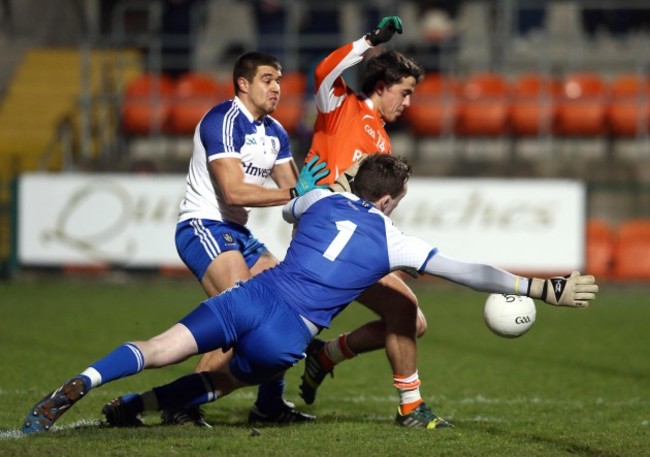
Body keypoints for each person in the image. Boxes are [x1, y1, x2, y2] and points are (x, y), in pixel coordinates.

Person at [22, 154, 599, 435]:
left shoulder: (320, 200)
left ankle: (85, 384)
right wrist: (540, 287)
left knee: (156, 345)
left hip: (253, 295)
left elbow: (292, 204)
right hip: (287, 334)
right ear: (392, 198)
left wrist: (319, 189)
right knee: (221, 380)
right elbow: (468, 271)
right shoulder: (393, 239)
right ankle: (135, 409)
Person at [163, 51, 329, 427]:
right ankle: (180, 403)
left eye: (280, 80)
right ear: (243, 83)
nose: (277, 88)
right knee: (244, 316)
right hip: (203, 226)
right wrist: (295, 195)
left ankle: (269, 405)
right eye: (268, 79)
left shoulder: (275, 132)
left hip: (238, 233)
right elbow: (235, 193)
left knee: (287, 305)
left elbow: (298, 196)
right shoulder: (223, 120)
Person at [299, 16, 430, 413]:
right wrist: (369, 41)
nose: (408, 104)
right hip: (327, 238)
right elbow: (323, 71)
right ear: (380, 86)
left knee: (410, 318)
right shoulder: (341, 107)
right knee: (403, 313)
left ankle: (324, 358)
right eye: (404, 93)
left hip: (355, 240)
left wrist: (391, 246)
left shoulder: (384, 140)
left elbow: (376, 203)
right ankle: (410, 408)